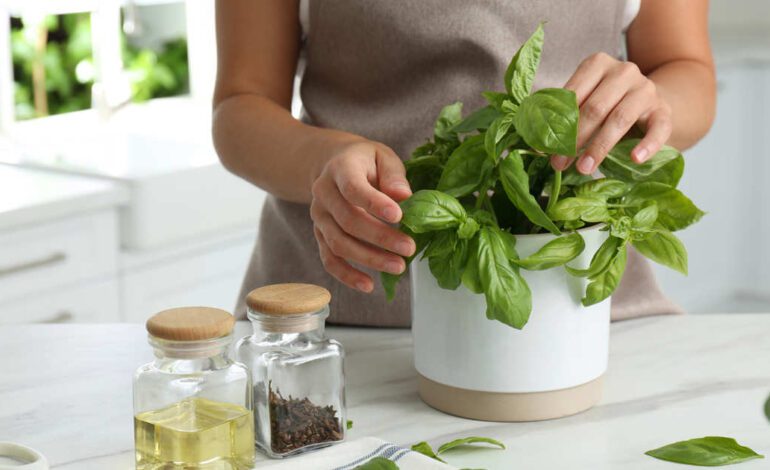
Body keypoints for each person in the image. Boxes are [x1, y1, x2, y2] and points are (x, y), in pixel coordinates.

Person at [212, 0, 715, 325]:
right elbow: (240, 103)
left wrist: (650, 103)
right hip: (327, 323)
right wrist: (323, 160)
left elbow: (686, 69)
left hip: (584, 315)